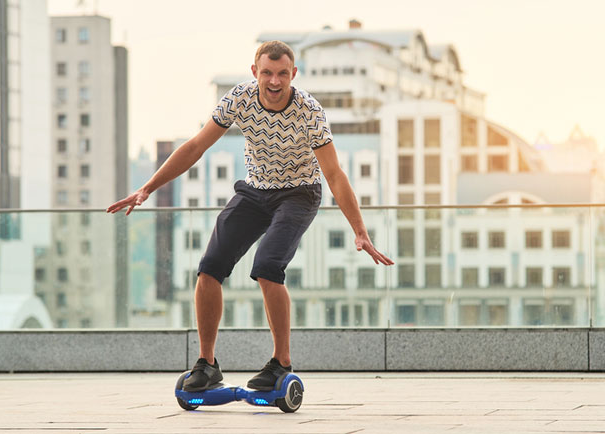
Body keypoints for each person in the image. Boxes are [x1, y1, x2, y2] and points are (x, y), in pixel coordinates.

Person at [107, 40, 394, 392]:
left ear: (294, 75)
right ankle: (207, 364)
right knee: (209, 266)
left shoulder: (309, 111)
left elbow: (334, 174)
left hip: (299, 193)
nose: (274, 82)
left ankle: (281, 363)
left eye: (283, 74)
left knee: (267, 266)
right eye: (268, 73)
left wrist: (360, 230)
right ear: (255, 71)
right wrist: (147, 188)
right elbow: (196, 146)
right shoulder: (239, 98)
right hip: (255, 190)